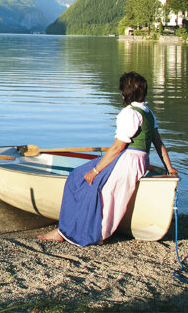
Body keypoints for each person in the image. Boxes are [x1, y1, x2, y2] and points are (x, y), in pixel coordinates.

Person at [38, 71, 178, 246]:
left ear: (124, 94)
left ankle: (74, 231)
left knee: (79, 179)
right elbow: (159, 144)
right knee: (85, 178)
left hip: (127, 161)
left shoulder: (130, 114)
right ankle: (67, 228)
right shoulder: (149, 113)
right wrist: (169, 168)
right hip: (141, 160)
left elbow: (118, 147)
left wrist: (95, 171)